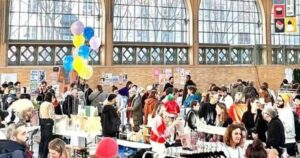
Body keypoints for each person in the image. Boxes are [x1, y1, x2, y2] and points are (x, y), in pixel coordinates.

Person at [39, 92, 62, 158]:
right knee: (47, 141)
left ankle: (40, 155)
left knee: (42, 140)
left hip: (42, 122)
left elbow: (40, 115)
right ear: (50, 97)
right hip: (48, 123)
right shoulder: (50, 105)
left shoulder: (42, 104)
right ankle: (45, 156)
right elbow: (52, 116)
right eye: (52, 97)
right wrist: (61, 117)